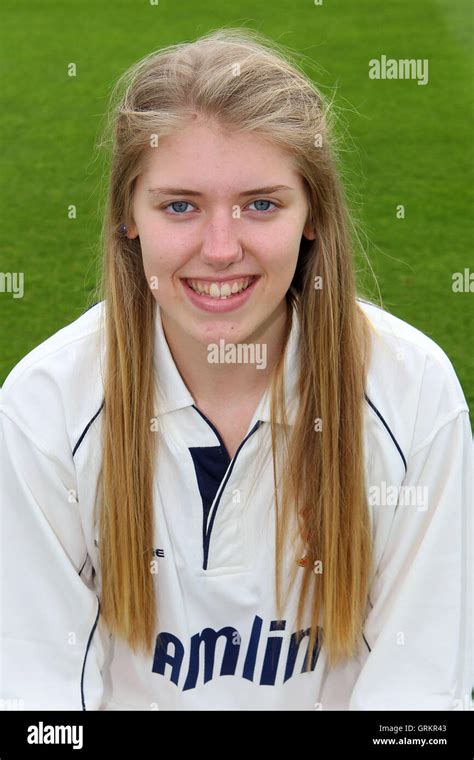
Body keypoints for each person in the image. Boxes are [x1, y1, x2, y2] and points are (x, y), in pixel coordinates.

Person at [1, 27, 472, 711]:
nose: (221, 249)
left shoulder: (413, 393)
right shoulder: (46, 407)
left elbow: (419, 699)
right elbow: (34, 698)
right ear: (128, 218)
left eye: (261, 204)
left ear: (313, 215)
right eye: (180, 206)